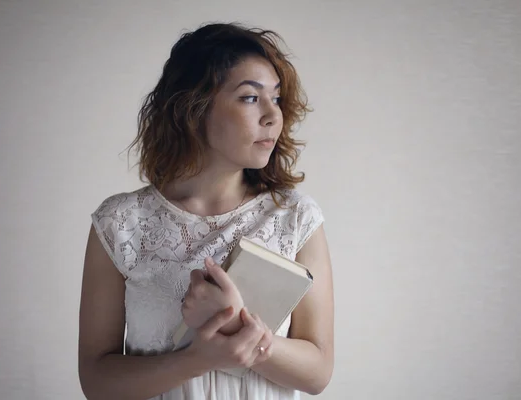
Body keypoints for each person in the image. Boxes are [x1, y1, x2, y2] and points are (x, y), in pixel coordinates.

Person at [78, 22, 334, 400]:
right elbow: (97, 381)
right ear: (192, 108)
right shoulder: (120, 223)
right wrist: (196, 359)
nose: (272, 116)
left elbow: (317, 373)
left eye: (276, 98)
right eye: (250, 98)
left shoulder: (295, 218)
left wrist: (234, 328)